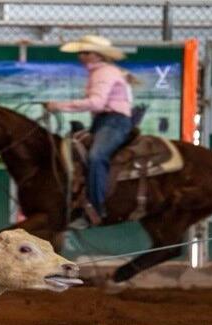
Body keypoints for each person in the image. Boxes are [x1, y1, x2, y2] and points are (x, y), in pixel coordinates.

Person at [45, 35, 135, 227]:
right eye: (80, 52)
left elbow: (97, 102)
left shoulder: (104, 73)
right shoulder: (102, 72)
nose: (81, 56)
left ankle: (96, 207)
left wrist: (59, 105)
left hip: (114, 122)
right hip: (105, 121)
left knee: (96, 156)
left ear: (97, 55)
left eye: (85, 52)